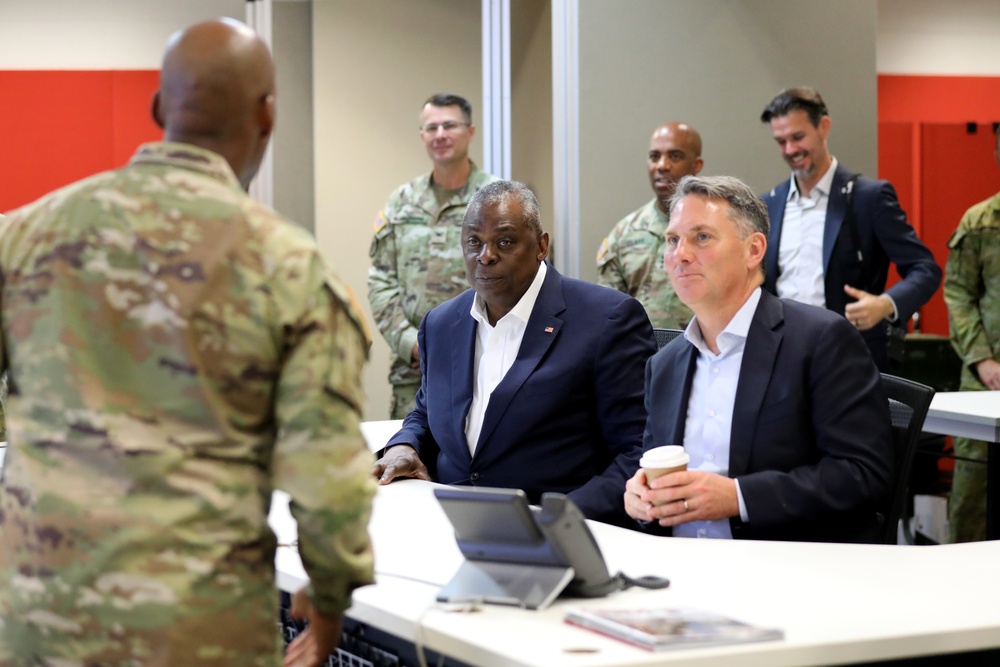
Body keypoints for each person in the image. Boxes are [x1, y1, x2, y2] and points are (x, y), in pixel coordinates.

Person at [0, 19, 374, 667]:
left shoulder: (26, 235)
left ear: (156, 107)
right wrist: (332, 593)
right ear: (267, 115)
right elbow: (328, 472)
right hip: (198, 629)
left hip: (37, 620)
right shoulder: (287, 265)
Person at [624, 175, 894, 543]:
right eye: (673, 240)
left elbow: (864, 475)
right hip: (679, 569)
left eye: (701, 237)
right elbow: (659, 472)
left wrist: (738, 497)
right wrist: (641, 498)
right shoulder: (665, 364)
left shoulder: (820, 340)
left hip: (784, 568)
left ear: (754, 250)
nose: (680, 254)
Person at [371, 180, 656, 525]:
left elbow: (637, 452)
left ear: (541, 246)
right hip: (448, 525)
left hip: (563, 534)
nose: (486, 256)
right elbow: (426, 414)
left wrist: (558, 520)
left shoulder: (606, 319)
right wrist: (405, 446)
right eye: (474, 242)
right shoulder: (442, 323)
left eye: (505, 242)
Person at [759, 86, 941, 371]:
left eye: (798, 137)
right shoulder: (769, 204)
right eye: (781, 141)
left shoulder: (868, 197)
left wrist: (885, 304)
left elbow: (925, 269)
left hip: (849, 356)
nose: (790, 150)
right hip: (782, 356)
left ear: (824, 127)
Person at [368, 93, 499, 419]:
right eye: (432, 127)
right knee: (407, 460)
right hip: (413, 372)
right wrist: (411, 343)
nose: (440, 134)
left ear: (470, 132)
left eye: (449, 125)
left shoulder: (497, 199)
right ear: (423, 136)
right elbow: (381, 281)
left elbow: (520, 279)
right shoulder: (402, 202)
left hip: (484, 363)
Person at [942, 127, 1000, 543]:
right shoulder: (980, 222)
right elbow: (958, 293)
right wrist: (982, 359)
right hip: (985, 381)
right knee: (971, 500)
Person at [596, 122, 702, 329]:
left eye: (675, 156)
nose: (662, 165)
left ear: (696, 165)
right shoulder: (624, 233)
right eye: (655, 157)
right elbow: (607, 311)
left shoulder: (713, 230)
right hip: (637, 354)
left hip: (700, 353)